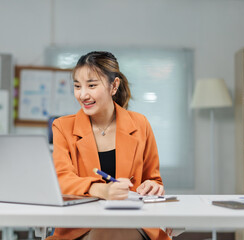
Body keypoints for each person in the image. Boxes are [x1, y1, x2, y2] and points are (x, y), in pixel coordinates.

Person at [48, 51, 171, 240]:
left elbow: (154, 180)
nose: (82, 95)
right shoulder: (63, 127)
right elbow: (61, 179)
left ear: (114, 86)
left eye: (91, 85)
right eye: (77, 86)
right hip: (80, 227)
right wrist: (101, 190)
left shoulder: (140, 124)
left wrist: (152, 186)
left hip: (133, 221)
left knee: (110, 232)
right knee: (106, 233)